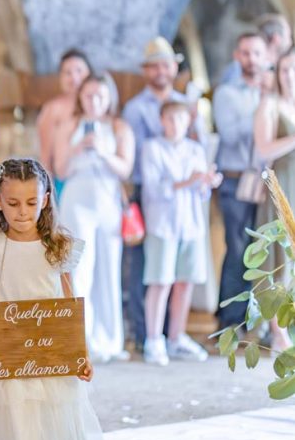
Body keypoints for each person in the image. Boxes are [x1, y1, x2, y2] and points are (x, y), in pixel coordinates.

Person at [0, 158, 103, 440]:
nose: (23, 212)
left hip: (49, 354)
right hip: (6, 352)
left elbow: (69, 307)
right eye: (14, 203)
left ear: (45, 200)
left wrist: (81, 353)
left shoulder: (58, 246)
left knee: (49, 424)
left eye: (32, 202)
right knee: (13, 424)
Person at [121, 36, 205, 351]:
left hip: (186, 197)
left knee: (180, 269)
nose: (160, 70)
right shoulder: (135, 108)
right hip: (148, 186)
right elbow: (135, 152)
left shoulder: (186, 103)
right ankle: (146, 335)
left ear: (174, 67)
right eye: (154, 65)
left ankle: (174, 335)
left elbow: (198, 143)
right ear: (146, 71)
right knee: (146, 267)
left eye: (166, 64)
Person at [55, 75, 134, 362]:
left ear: (109, 97)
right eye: (89, 96)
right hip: (77, 201)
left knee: (109, 269)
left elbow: (125, 169)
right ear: (81, 97)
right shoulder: (69, 125)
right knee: (79, 270)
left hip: (107, 201)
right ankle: (81, 339)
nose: (94, 102)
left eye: (100, 96)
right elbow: (60, 169)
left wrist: (103, 152)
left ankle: (110, 340)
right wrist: (79, 147)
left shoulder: (119, 127)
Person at [141, 102, 221, 365]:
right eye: (170, 118)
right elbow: (154, 188)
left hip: (191, 224)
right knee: (161, 280)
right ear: (162, 120)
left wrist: (207, 182)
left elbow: (201, 192)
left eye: (181, 119)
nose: (176, 124)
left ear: (188, 122)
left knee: (185, 281)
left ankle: (176, 337)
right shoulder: (153, 148)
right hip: (163, 224)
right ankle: (154, 338)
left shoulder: (196, 150)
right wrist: (189, 181)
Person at [215, 32, 268, 330]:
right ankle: (232, 321)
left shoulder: (274, 92)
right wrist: (262, 108)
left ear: (266, 57)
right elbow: (231, 135)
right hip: (235, 182)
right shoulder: (227, 93)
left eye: (257, 53)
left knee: (260, 251)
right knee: (238, 250)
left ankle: (254, 318)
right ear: (238, 56)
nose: (251, 59)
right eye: (246, 53)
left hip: (266, 182)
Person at [253, 47, 295, 350]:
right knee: (279, 262)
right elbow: (263, 149)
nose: (290, 76)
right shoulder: (270, 104)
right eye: (284, 70)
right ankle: (277, 332)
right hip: (282, 187)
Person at [35, 48, 92, 190]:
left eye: (79, 70)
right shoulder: (53, 109)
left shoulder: (97, 105)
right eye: (68, 73)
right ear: (60, 78)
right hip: (64, 183)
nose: (74, 78)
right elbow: (46, 157)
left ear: (89, 73)